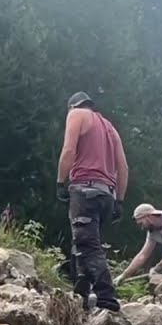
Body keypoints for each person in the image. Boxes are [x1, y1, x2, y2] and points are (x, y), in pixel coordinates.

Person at [56, 91, 127, 312]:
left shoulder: (77, 114)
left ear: (73, 106)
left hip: (85, 188)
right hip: (107, 194)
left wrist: (60, 181)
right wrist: (119, 200)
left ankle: (106, 296)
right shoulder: (109, 127)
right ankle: (81, 296)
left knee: (87, 245)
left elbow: (69, 149)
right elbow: (123, 167)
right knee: (83, 243)